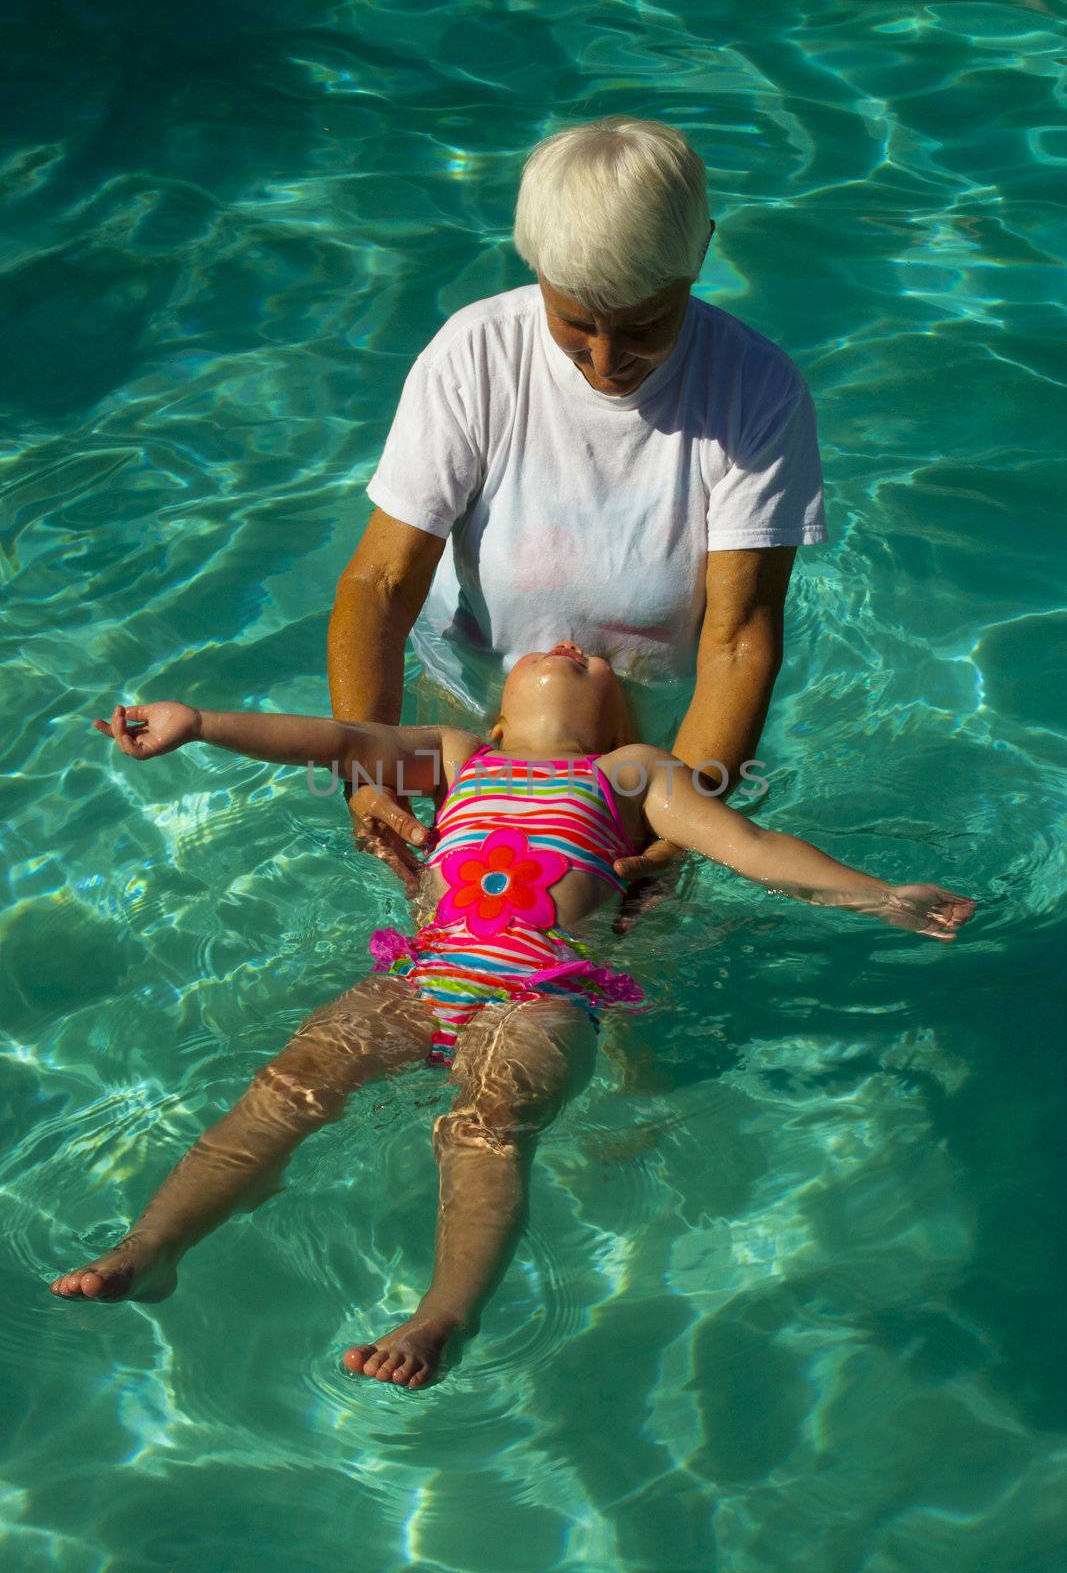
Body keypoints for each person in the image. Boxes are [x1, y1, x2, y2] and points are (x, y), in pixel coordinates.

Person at [50, 644, 975, 1390]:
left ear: (614, 720)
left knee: (487, 1132)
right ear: (495, 721)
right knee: (284, 1092)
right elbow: (334, 740)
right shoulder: (458, 757)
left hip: (538, 992)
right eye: (558, 648)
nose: (574, 644)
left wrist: (878, 896)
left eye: (593, 662)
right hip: (416, 979)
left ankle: (444, 1314)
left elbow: (749, 846)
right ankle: (156, 1246)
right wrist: (202, 724)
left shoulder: (632, 772)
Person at [328, 116, 828, 898]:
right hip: (470, 709)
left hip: (651, 742)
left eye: (640, 326)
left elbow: (737, 637)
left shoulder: (755, 391)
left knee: (612, 962)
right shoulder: (476, 355)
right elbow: (382, 583)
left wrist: (677, 822)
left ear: (697, 257)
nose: (604, 359)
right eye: (574, 322)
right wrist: (370, 772)